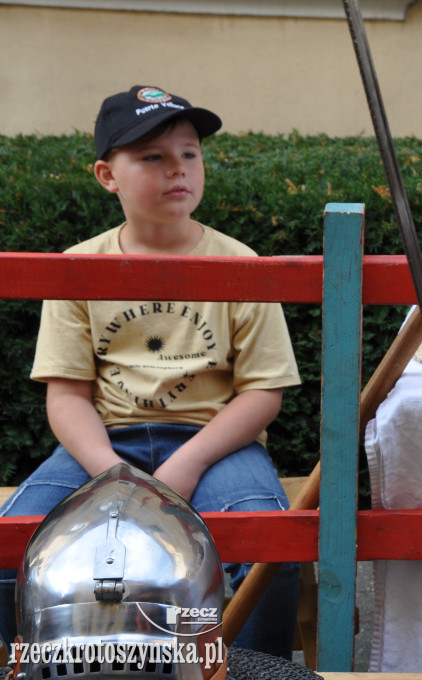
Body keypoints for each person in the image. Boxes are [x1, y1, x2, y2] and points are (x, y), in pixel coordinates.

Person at [0, 85, 301, 660]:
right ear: (107, 175)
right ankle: (29, 666)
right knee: (15, 541)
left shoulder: (241, 266)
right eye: (152, 157)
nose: (177, 169)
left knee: (269, 546)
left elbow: (263, 392)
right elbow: (66, 397)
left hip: (213, 445)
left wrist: (185, 464)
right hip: (103, 445)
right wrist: (116, 477)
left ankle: (259, 672)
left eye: (189, 153)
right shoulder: (77, 269)